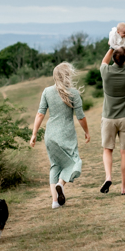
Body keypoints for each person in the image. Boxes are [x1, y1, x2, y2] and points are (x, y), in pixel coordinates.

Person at [30, 63, 90, 209]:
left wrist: (34, 133)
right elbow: (80, 117)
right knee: (75, 162)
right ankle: (60, 184)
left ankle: (55, 202)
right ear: (68, 75)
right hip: (66, 134)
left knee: (55, 165)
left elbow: (40, 114)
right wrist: (87, 132)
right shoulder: (73, 93)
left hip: (50, 135)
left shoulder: (47, 91)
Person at [99, 45, 125, 195]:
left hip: (108, 118)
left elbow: (104, 61)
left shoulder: (106, 72)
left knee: (107, 150)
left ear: (114, 58)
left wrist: (111, 47)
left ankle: (108, 176)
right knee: (124, 153)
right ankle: (124, 188)